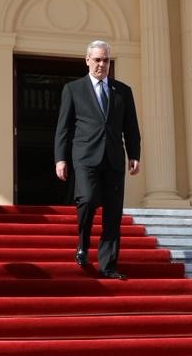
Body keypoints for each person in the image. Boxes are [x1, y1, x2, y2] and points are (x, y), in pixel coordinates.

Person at [54, 39, 142, 279]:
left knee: (113, 213)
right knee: (88, 199)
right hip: (84, 156)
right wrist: (60, 158)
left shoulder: (123, 91)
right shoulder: (73, 89)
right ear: (87, 60)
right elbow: (63, 127)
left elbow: (130, 126)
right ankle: (82, 244)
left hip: (113, 157)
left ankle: (108, 265)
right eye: (97, 60)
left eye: (105, 60)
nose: (101, 64)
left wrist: (134, 153)